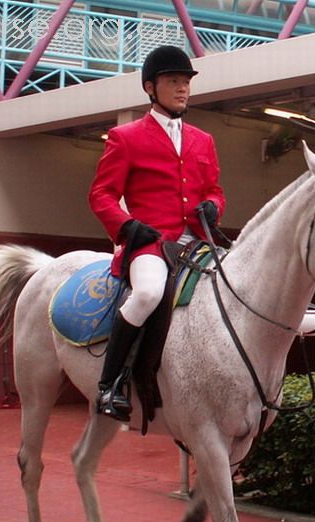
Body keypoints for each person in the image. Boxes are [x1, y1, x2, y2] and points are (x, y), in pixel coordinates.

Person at [88, 45, 226, 422]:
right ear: (151, 87)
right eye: (173, 82)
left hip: (196, 240)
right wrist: (126, 225)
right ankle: (110, 385)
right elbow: (101, 195)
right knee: (148, 292)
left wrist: (213, 206)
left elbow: (213, 189)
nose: (182, 89)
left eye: (186, 82)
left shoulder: (203, 140)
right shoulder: (125, 137)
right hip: (150, 242)